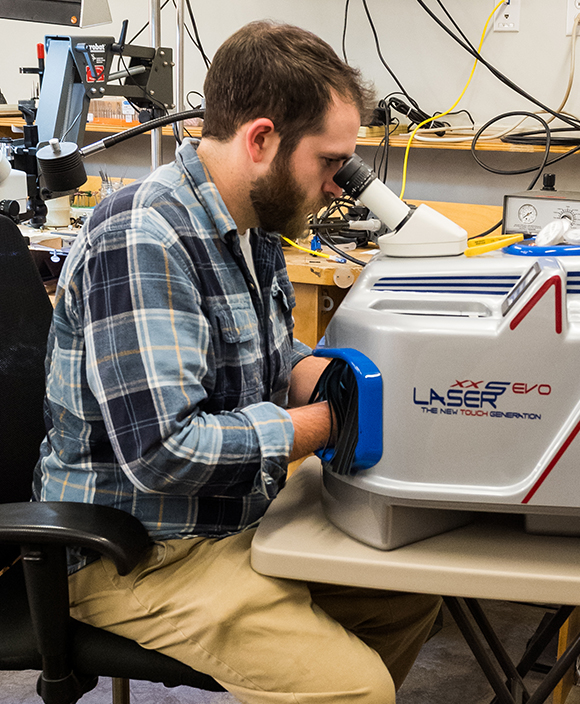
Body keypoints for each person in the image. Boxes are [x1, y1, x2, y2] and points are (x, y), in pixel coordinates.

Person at [33, 20, 441, 704]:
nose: (340, 186)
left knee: (411, 594)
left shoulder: (252, 225)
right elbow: (165, 451)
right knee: (357, 690)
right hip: (135, 552)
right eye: (329, 162)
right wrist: (334, 422)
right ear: (261, 140)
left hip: (228, 516)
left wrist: (365, 385)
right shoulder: (145, 237)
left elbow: (278, 360)